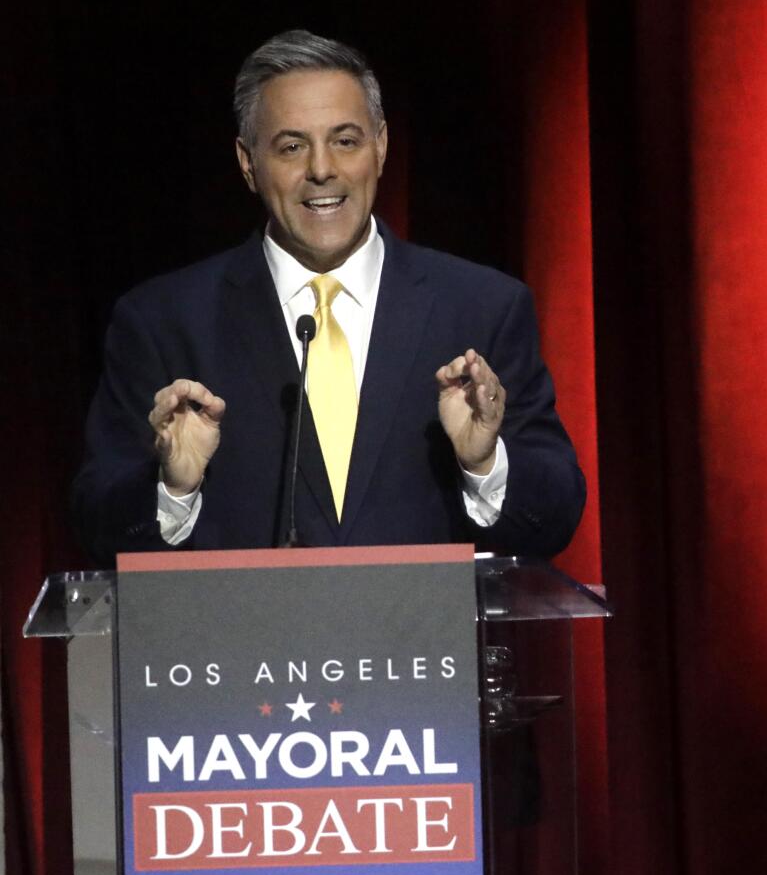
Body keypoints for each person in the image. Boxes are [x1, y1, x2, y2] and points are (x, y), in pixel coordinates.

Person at [71, 30, 585, 565]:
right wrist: (173, 488)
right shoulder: (163, 321)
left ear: (380, 147)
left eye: (345, 141)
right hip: (247, 623)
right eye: (292, 147)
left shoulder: (483, 308)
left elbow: (554, 518)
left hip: (425, 623)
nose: (322, 170)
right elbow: (97, 522)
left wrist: (484, 464)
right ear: (248, 163)